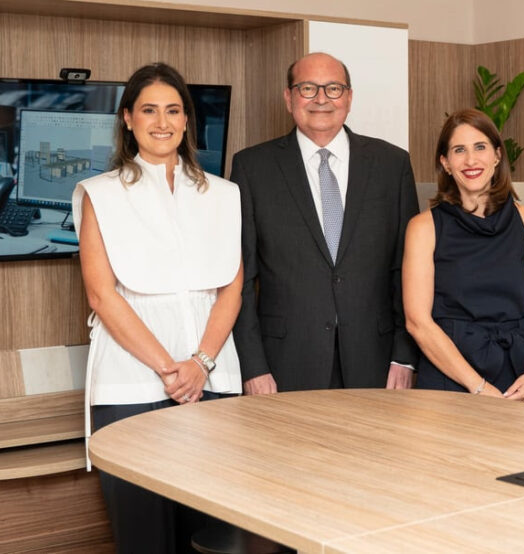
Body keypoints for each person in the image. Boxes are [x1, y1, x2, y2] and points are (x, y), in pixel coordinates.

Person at [73, 62, 243, 552]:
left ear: (187, 120)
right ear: (128, 118)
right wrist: (172, 370)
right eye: (149, 110)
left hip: (214, 378)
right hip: (131, 382)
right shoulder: (99, 195)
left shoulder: (225, 195)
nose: (162, 121)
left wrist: (201, 363)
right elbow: (102, 295)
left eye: (173, 110)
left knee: (214, 534)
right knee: (144, 535)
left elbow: (231, 288)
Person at [230, 52, 419, 394]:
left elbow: (404, 271)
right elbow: (241, 277)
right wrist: (253, 366)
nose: (321, 99)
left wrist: (404, 357)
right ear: (288, 97)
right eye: (307, 88)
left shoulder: (392, 165)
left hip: (376, 363)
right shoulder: (252, 168)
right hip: (284, 364)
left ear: (349, 97)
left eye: (333, 88)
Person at [403, 109, 524, 400]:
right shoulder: (423, 228)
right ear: (446, 163)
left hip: (519, 381)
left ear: (497, 156)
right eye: (459, 150)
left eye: (480, 147)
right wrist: (477, 386)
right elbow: (418, 322)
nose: (471, 160)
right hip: (451, 379)